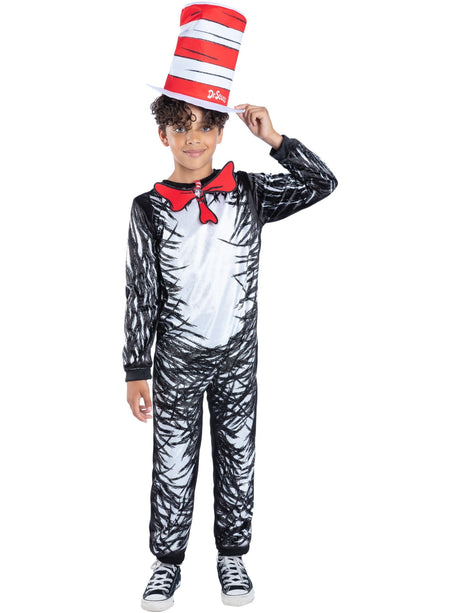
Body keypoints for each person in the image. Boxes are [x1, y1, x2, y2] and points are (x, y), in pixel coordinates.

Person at [122, 4, 338, 611]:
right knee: (172, 462)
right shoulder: (147, 208)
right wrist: (135, 368)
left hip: (238, 357)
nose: (192, 139)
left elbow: (323, 183)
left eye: (204, 127)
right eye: (180, 127)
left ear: (221, 132)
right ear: (162, 134)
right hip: (174, 361)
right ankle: (167, 563)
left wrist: (275, 140)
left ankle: (232, 556)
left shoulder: (249, 192)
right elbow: (140, 291)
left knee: (238, 455)